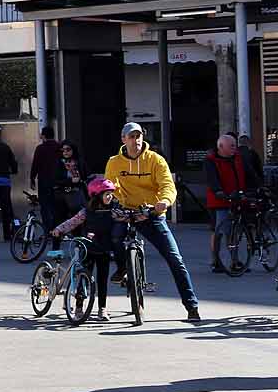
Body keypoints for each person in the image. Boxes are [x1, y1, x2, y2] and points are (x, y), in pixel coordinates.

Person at [104, 123, 201, 322]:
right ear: (123, 140)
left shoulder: (155, 160)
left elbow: (167, 185)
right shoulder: (114, 162)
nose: (136, 140)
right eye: (131, 136)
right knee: (114, 238)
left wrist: (163, 202)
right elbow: (109, 186)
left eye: (139, 136)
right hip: (126, 211)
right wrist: (110, 199)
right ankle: (123, 267)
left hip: (150, 213)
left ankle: (191, 306)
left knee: (175, 259)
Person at [49, 175, 121, 321]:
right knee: (82, 279)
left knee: (102, 280)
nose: (110, 196)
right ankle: (79, 308)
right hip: (87, 249)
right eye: (107, 194)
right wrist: (58, 229)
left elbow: (124, 218)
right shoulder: (86, 212)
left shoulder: (114, 210)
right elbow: (72, 222)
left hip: (105, 249)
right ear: (97, 195)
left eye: (111, 194)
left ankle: (102, 309)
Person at [204, 133, 259, 274]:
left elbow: (250, 174)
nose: (235, 148)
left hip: (236, 198)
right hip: (218, 201)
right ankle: (216, 261)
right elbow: (212, 179)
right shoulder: (211, 160)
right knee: (220, 230)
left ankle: (235, 261)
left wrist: (258, 187)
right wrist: (219, 191)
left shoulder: (239, 158)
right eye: (232, 146)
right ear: (221, 147)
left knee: (235, 230)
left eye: (235, 145)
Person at [43, 141, 86, 232]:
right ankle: (56, 244)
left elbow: (85, 176)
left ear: (73, 150)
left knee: (76, 220)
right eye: (63, 150)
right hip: (61, 195)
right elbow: (54, 180)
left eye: (68, 149)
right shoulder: (58, 163)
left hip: (75, 195)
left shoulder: (79, 162)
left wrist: (79, 180)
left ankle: (78, 244)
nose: (65, 152)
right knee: (58, 220)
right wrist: (70, 181)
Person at [28, 125, 60, 204]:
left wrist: (32, 179)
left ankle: (47, 216)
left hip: (43, 180)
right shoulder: (59, 147)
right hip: (58, 179)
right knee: (56, 203)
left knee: (45, 204)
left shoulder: (40, 148)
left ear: (44, 135)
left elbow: (35, 164)